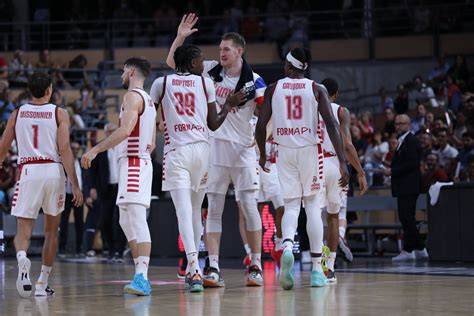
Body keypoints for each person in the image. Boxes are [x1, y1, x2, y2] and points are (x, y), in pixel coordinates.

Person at [166, 14, 267, 287]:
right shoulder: (209, 70)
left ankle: (256, 264)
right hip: (213, 150)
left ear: (239, 52)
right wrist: (180, 37)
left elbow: (269, 116)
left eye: (226, 50)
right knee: (214, 210)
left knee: (249, 206)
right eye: (220, 49)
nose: (220, 53)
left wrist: (263, 146)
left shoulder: (255, 81)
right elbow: (173, 63)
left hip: (244, 151)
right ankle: (213, 266)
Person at [150, 44, 245, 292]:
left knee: (184, 212)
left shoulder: (161, 83)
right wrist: (228, 105)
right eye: (201, 60)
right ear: (192, 63)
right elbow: (214, 124)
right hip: (202, 150)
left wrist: (152, 133)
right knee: (194, 210)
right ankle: (195, 266)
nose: (205, 64)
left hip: (177, 152)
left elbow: (149, 115)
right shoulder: (205, 84)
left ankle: (193, 268)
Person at [255, 48, 349, 289]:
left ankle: (287, 245)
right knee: (313, 207)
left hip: (284, 151)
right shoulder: (317, 89)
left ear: (288, 65)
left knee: (291, 206)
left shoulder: (274, 88)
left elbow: (261, 124)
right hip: (310, 150)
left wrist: (263, 155)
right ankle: (317, 270)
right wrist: (342, 161)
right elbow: (331, 124)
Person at [0, 72, 83, 297]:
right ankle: (41, 283)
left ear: (29, 91)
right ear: (49, 91)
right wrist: (74, 183)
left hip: (28, 170)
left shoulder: (17, 114)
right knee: (51, 231)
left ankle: (21, 259)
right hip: (53, 171)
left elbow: (3, 146)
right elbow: (65, 148)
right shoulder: (60, 113)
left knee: (23, 230)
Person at [81, 57, 156, 296]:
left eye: (124, 71)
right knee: (125, 220)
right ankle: (139, 273)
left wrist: (95, 149)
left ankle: (143, 277)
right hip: (133, 162)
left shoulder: (133, 96)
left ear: (132, 71)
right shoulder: (149, 100)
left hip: (134, 162)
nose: (122, 76)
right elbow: (153, 141)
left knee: (135, 217)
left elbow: (124, 131)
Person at [318, 78, 368, 282]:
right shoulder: (340, 111)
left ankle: (315, 264)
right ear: (336, 94)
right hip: (333, 164)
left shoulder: (309, 110)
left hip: (311, 164)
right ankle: (328, 267)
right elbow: (347, 145)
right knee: (333, 217)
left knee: (315, 217)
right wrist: (360, 172)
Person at [383, 114, 428, 262]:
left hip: (409, 185)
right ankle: (409, 249)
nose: (397, 127)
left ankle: (420, 247)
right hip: (403, 185)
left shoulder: (411, 140)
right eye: (396, 124)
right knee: (406, 218)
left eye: (400, 124)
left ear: (408, 124)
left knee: (407, 218)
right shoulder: (403, 141)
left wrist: (393, 171)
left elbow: (412, 163)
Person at [88, 123, 127, 263]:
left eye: (113, 130)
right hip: (105, 188)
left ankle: (120, 251)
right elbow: (92, 170)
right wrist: (92, 188)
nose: (111, 132)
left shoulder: (124, 145)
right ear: (105, 133)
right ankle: (110, 250)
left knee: (121, 219)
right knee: (106, 219)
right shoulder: (100, 148)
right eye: (108, 131)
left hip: (122, 187)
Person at [58, 142, 84, 257]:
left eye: (76, 149)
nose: (74, 151)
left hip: (78, 195)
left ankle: (79, 249)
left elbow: (85, 180)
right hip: (66, 194)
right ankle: (62, 248)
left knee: (79, 222)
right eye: (73, 149)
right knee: (64, 222)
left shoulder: (81, 163)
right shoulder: (63, 163)